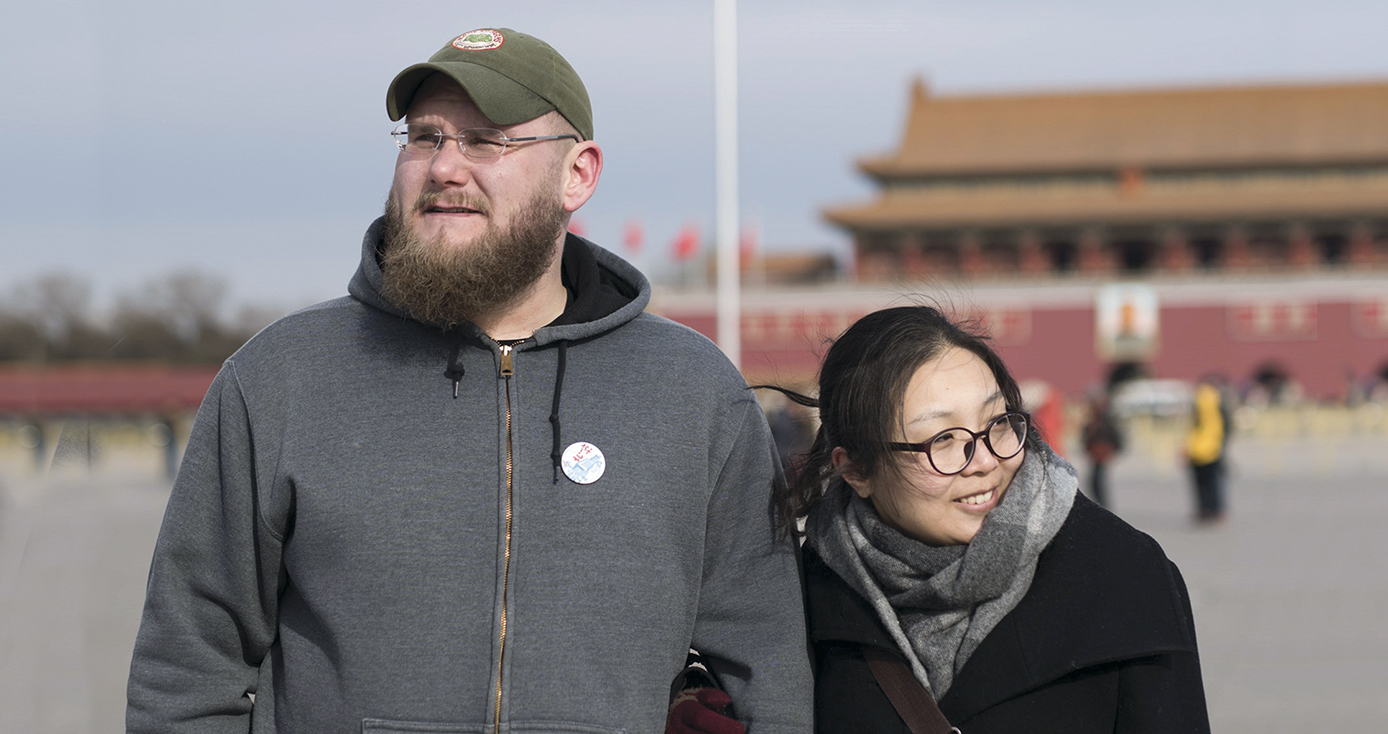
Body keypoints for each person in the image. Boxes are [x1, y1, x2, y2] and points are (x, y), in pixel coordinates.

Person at [127, 28, 812, 733]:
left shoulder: (695, 393)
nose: (444, 167)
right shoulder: (278, 380)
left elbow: (772, 671)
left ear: (578, 173)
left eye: (486, 141)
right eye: (423, 137)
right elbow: (185, 672)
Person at [690, 306, 1209, 733]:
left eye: (996, 423)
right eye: (943, 440)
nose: (984, 460)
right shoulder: (804, 602)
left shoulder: (1124, 577)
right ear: (856, 469)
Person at [1186, 374, 1230, 524]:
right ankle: (1216, 510)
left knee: (1200, 482)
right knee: (1214, 482)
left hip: (1196, 447)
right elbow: (1226, 427)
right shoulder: (1218, 402)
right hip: (1213, 448)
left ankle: (1203, 509)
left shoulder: (1198, 400)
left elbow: (1192, 425)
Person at [1080, 390, 1124, 507]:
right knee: (1094, 480)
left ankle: (1102, 505)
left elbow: (1113, 435)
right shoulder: (1095, 419)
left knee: (1098, 481)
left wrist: (1113, 449)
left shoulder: (1105, 419)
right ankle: (1100, 504)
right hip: (1096, 454)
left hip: (1102, 453)